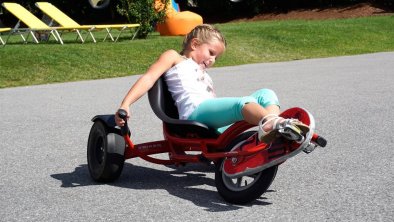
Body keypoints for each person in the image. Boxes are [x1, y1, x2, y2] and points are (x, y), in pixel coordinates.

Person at [115, 24, 309, 143]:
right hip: (194, 113)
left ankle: (273, 128)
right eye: (211, 53)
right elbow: (149, 78)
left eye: (216, 57)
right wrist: (126, 103)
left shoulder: (203, 74)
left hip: (212, 119)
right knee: (243, 103)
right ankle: (274, 123)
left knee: (266, 93)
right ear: (194, 44)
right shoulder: (174, 57)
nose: (213, 61)